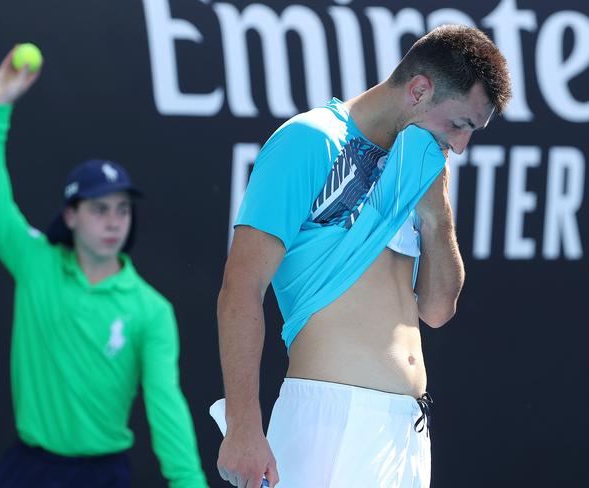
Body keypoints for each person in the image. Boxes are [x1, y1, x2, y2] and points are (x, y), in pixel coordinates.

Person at [216, 25, 512, 488]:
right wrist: (243, 426)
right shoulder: (310, 140)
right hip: (333, 427)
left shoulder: (420, 166)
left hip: (408, 433)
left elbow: (436, 310)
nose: (459, 145)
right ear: (418, 90)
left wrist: (437, 214)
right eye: (458, 125)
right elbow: (241, 286)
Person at [0, 47, 209, 488]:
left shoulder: (150, 310)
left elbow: (165, 406)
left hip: (104, 473)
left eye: (122, 209)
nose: (114, 220)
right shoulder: (35, 262)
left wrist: (189, 482)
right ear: (70, 216)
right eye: (99, 209)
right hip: (28, 468)